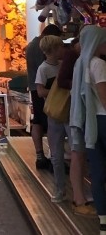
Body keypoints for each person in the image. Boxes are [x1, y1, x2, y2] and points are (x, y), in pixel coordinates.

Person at [71, 25, 106, 230]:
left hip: (90, 124)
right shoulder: (98, 65)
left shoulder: (80, 64)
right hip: (103, 120)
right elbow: (104, 97)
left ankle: (103, 219)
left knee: (97, 171)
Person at [58, 39, 97, 217]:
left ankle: (81, 198)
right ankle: (79, 199)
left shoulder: (83, 59)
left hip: (80, 114)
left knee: (78, 155)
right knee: (78, 155)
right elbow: (62, 81)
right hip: (81, 114)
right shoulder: (79, 58)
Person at [26, 24, 62, 170]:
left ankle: (40, 155)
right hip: (43, 90)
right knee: (47, 123)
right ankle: (53, 158)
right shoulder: (42, 52)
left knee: (38, 121)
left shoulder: (30, 45)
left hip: (34, 88)